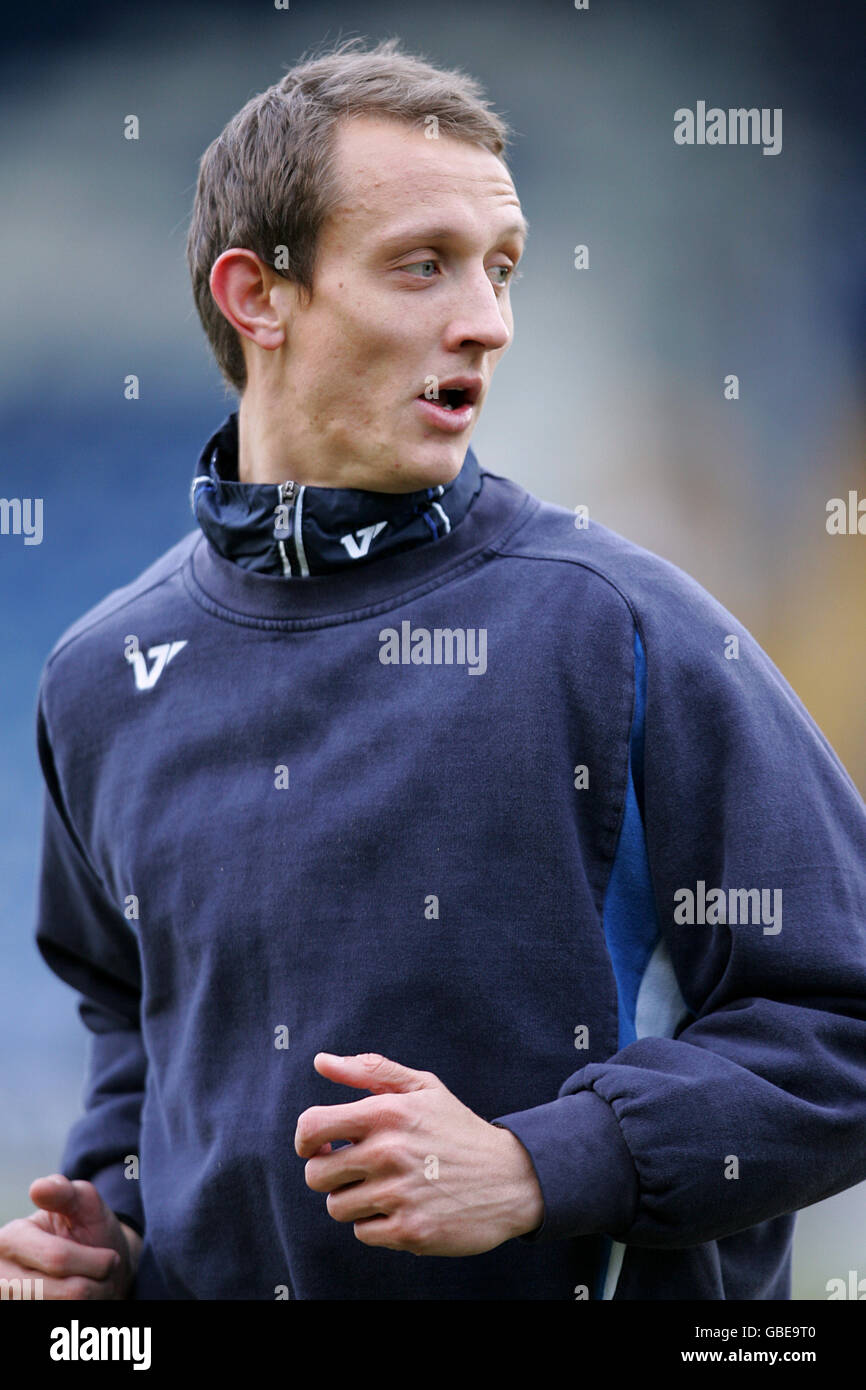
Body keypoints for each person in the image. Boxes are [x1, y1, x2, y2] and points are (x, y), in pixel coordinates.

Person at [4, 35, 866, 1302]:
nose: (487, 322)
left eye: (501, 269)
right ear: (258, 296)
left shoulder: (622, 629)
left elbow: (838, 1028)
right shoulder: (100, 677)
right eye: (424, 266)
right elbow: (133, 1033)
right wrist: (111, 1229)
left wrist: (539, 1164)